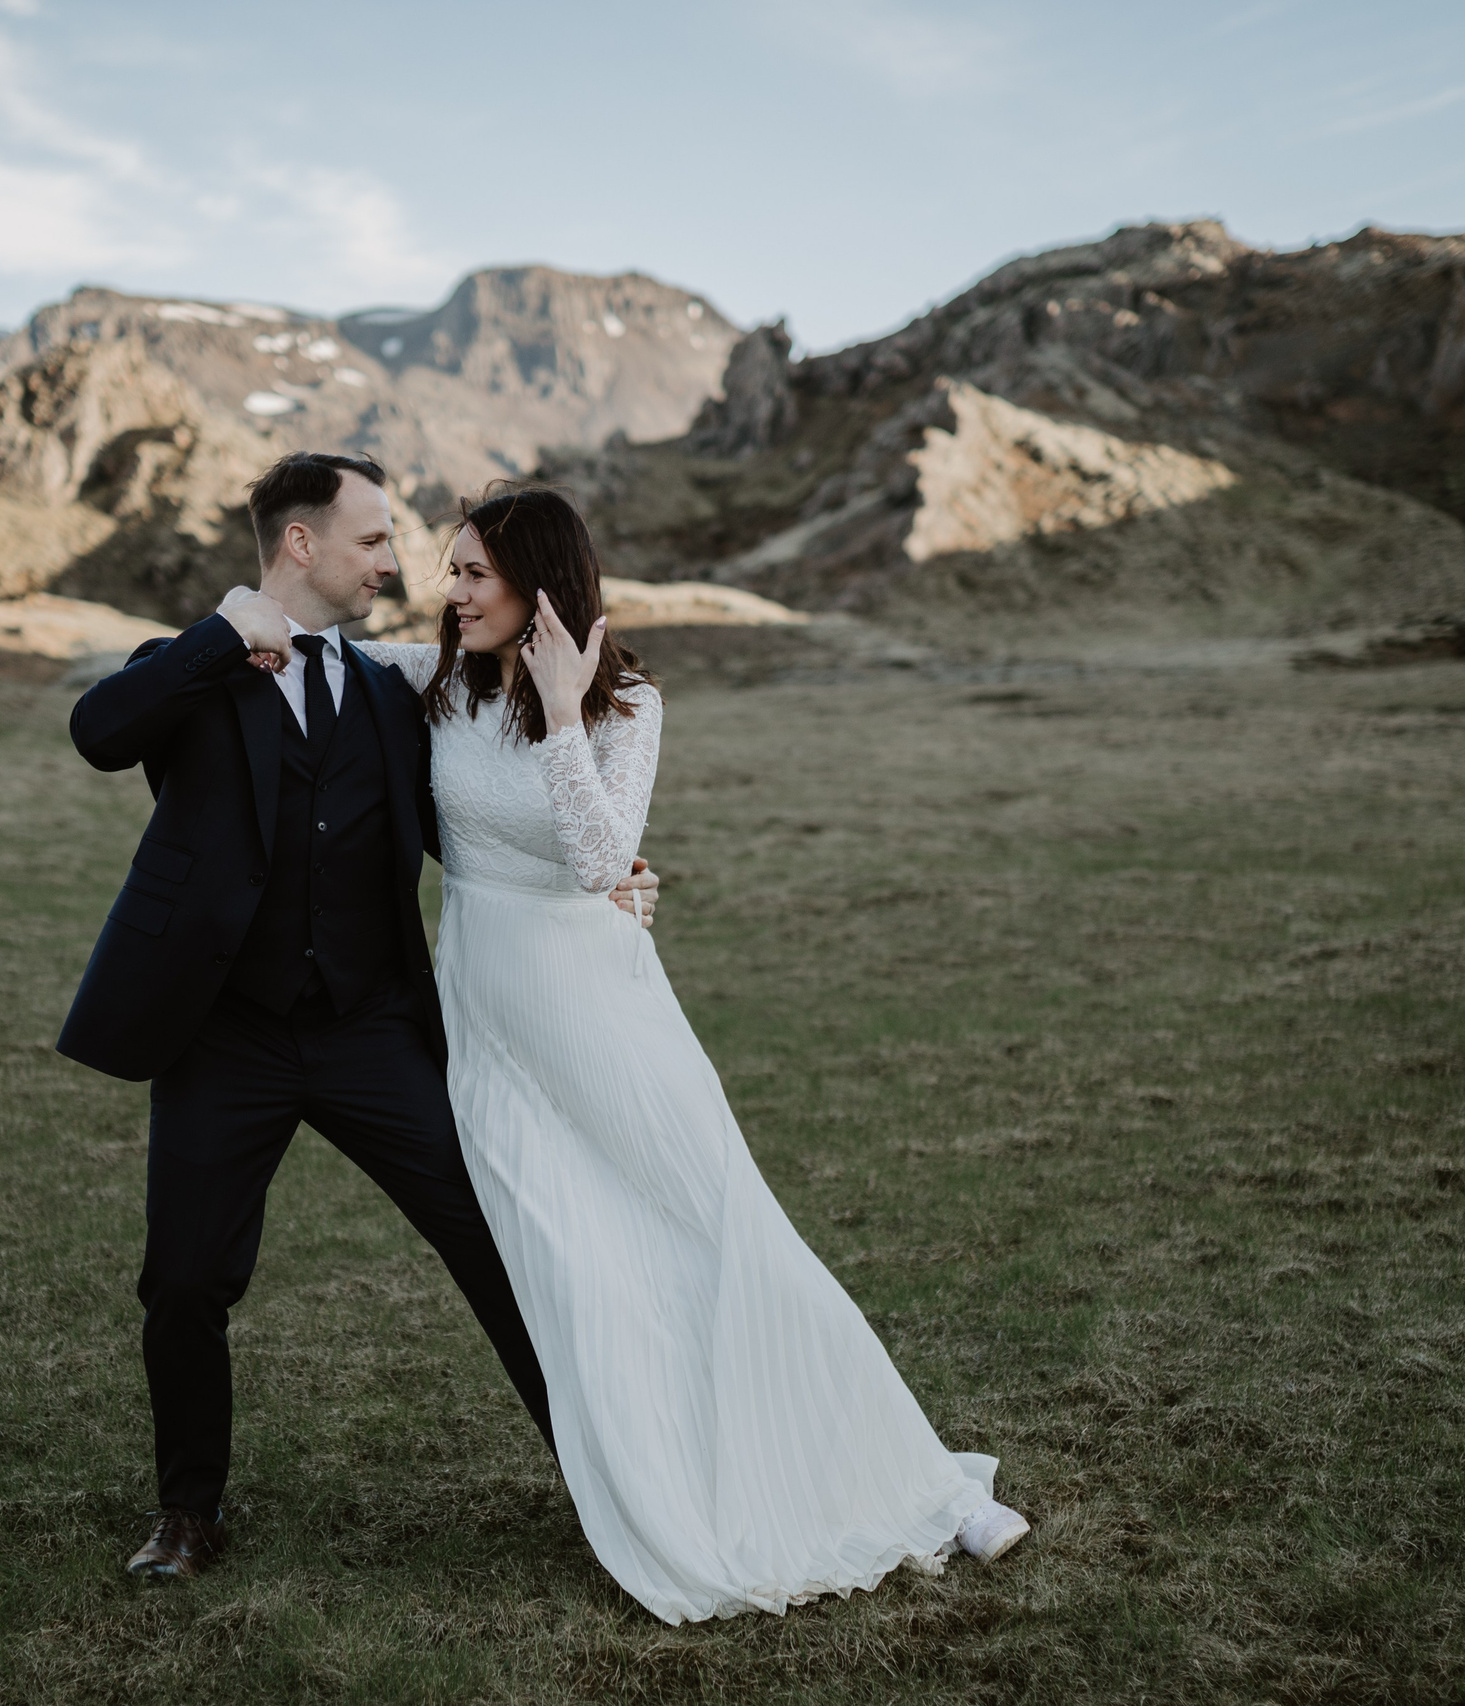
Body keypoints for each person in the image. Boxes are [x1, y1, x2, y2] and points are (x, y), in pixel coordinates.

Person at [234, 483, 1029, 1624]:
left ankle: (924, 1486)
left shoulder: (626, 701)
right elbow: (299, 635)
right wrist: (235, 615)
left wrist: (561, 711)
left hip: (606, 1010)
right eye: (447, 569)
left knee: (724, 1234)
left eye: (470, 574)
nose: (446, 590)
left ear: (535, 583)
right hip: (492, 1025)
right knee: (585, 1269)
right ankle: (669, 1477)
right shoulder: (432, 678)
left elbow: (603, 854)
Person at [57, 452, 658, 1580]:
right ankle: (188, 1513)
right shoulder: (190, 671)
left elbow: (475, 827)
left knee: (496, 1245)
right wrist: (222, 632)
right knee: (184, 1277)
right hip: (222, 1032)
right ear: (300, 545)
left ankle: (608, 1484)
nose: (398, 561)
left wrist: (615, 873)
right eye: (376, 539)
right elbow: (100, 729)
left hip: (371, 1028)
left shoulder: (396, 689)